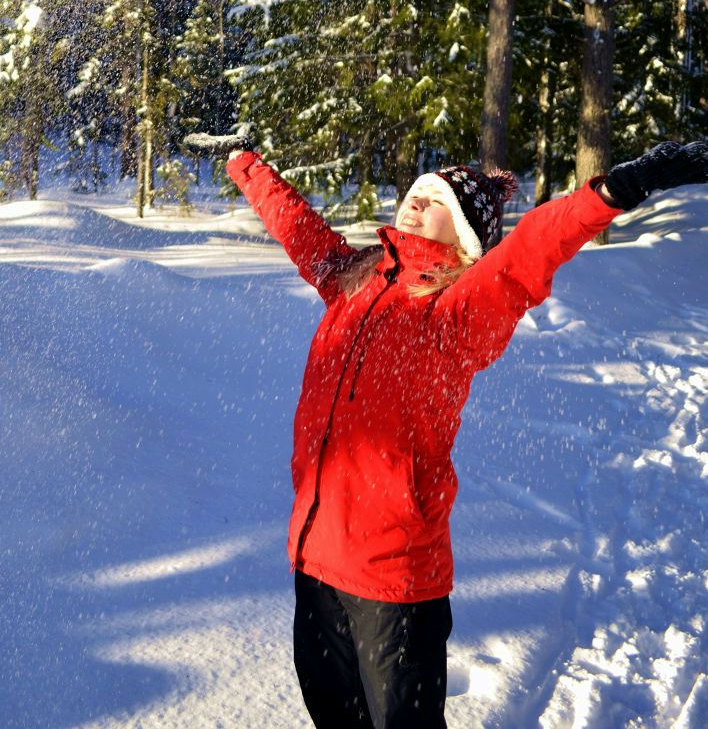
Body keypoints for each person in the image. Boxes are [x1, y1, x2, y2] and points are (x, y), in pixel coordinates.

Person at [220, 139, 708, 729]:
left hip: (393, 581)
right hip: (314, 561)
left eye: (436, 199)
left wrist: (612, 191)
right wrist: (244, 163)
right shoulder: (353, 280)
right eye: (416, 193)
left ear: (467, 236)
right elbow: (296, 226)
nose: (415, 203)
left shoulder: (458, 311)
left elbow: (531, 248)